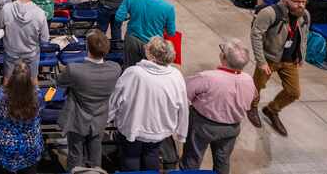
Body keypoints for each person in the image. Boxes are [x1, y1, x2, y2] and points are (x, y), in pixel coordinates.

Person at [108, 36, 189, 172]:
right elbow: (183, 106)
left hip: (133, 128)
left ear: (150, 54)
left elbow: (116, 98)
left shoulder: (134, 73)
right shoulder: (176, 75)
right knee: (152, 155)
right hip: (158, 130)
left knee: (130, 156)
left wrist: (107, 117)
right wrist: (181, 132)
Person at [180, 39, 255, 174]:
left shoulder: (208, 77)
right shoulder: (248, 80)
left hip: (204, 125)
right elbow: (252, 99)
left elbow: (184, 91)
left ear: (223, 57)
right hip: (231, 127)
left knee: (192, 158)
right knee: (223, 161)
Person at [247, 0, 310, 137]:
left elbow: (305, 35)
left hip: (290, 60)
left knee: (293, 92)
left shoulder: (305, 14)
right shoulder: (269, 13)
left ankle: (271, 110)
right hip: (269, 59)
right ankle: (252, 107)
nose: (301, 5)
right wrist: (261, 61)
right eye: (296, 1)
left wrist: (302, 55)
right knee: (257, 86)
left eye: (303, 1)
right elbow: (256, 35)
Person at [57, 30, 121, 170]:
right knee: (95, 153)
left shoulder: (74, 69)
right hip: (100, 118)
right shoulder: (115, 69)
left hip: (77, 118)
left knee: (75, 154)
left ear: (87, 48)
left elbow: (60, 82)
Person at [0, 60, 43, 174]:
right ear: (29, 79)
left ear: (12, 77)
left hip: (5, 146)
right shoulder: (37, 95)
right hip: (30, 146)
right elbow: (39, 114)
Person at [115, 0, 176, 68]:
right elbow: (171, 33)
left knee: (130, 68)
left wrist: (131, 15)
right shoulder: (168, 8)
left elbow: (118, 18)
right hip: (154, 46)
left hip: (132, 40)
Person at [1, 0, 50, 82]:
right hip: (30, 54)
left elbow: (0, 28)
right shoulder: (40, 13)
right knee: (33, 79)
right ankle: (33, 97)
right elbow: (45, 39)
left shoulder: (6, 9)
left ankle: (6, 98)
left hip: (11, 52)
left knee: (7, 79)